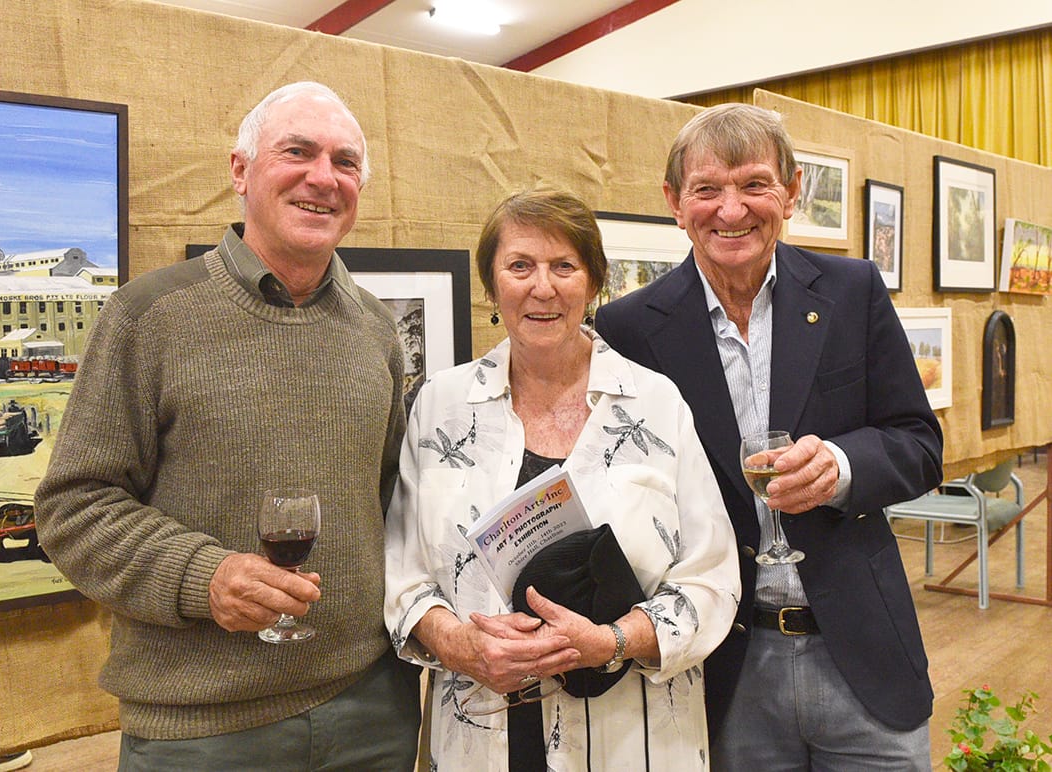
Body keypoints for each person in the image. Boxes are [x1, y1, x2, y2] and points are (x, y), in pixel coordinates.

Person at [35, 81, 420, 771]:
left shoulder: (375, 331)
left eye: (344, 162)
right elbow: (73, 509)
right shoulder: (148, 317)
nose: (323, 177)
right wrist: (203, 576)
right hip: (202, 731)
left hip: (372, 711)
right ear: (240, 171)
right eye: (296, 152)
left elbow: (393, 505)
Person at [596, 103, 943, 770]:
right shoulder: (629, 329)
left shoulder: (852, 291)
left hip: (863, 655)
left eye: (754, 184)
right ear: (673, 202)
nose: (731, 210)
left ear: (791, 191)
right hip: (722, 668)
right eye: (706, 189)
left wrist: (841, 465)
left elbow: (918, 443)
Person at [384, 187, 740, 770]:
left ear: (593, 282)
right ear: (492, 284)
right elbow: (403, 574)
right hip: (481, 729)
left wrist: (613, 641)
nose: (543, 287)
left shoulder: (656, 403)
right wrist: (461, 645)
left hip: (631, 736)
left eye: (564, 266)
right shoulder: (440, 407)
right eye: (520, 266)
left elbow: (712, 576)